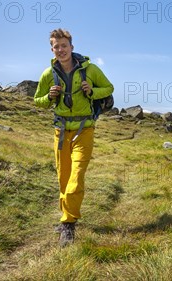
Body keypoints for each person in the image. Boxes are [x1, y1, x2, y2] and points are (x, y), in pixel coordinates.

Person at [34, 28, 114, 247]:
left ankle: (68, 224)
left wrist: (92, 92)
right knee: (63, 177)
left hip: (84, 130)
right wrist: (49, 97)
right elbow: (37, 100)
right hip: (60, 132)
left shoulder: (91, 70)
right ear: (52, 49)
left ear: (71, 47)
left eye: (64, 46)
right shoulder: (47, 74)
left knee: (76, 176)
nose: (60, 50)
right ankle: (66, 218)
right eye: (56, 46)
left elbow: (109, 88)